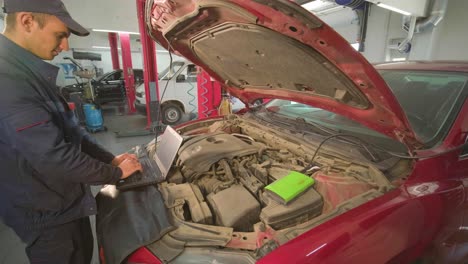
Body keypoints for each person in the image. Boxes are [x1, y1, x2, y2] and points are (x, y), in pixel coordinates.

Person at [0, 0, 143, 263]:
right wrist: (115, 173)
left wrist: (110, 160)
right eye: (60, 35)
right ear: (27, 21)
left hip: (63, 204)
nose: (65, 46)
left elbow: (72, 132)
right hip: (46, 216)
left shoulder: (31, 73)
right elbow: (52, 156)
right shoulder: (8, 79)